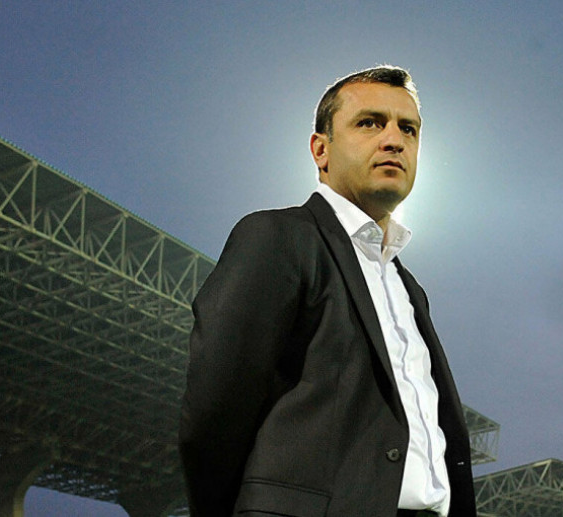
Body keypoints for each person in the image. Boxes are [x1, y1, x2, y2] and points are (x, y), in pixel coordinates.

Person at [179, 66, 476, 517]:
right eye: (370, 123)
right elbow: (214, 410)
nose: (394, 140)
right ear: (321, 150)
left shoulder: (409, 288)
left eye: (408, 129)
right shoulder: (277, 238)